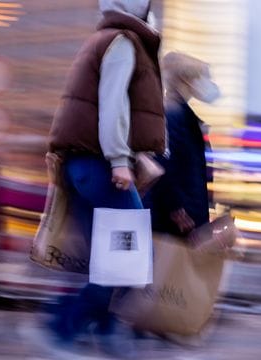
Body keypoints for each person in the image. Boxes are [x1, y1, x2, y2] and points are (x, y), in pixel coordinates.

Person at [44, 0, 166, 353]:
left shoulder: (100, 39)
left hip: (81, 166)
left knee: (108, 259)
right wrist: (118, 160)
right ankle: (62, 329)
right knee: (132, 259)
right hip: (100, 166)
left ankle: (104, 332)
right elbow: (112, 105)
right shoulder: (123, 42)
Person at [145, 52, 221, 236]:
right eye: (204, 78)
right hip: (175, 221)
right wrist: (176, 209)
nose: (209, 84)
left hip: (184, 216)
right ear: (187, 80)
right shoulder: (173, 115)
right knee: (170, 263)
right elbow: (164, 165)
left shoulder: (182, 114)